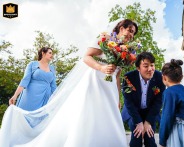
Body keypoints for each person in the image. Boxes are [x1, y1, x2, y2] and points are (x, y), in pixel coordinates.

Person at [0, 19, 138, 147]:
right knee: (89, 113)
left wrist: (117, 96)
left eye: (133, 33)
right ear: (121, 28)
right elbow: (86, 57)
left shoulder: (127, 50)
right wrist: (101, 67)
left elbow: (118, 75)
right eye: (130, 30)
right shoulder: (106, 39)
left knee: (109, 117)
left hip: (110, 85)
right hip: (95, 80)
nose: (131, 35)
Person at [121, 51, 166, 147]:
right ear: (138, 68)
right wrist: (139, 122)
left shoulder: (159, 78)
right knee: (137, 136)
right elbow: (128, 102)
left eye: (152, 65)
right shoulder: (128, 78)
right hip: (133, 111)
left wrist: (148, 121)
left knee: (149, 138)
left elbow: (158, 101)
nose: (150, 69)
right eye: (146, 66)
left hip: (150, 111)